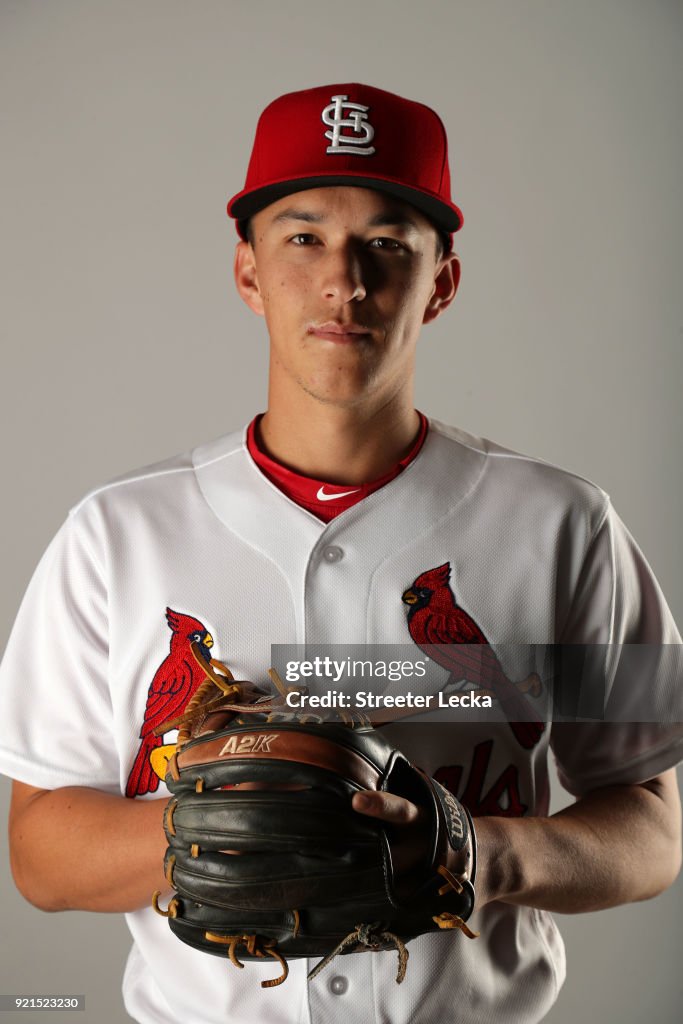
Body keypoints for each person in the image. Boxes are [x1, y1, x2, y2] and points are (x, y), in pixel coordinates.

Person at [1, 82, 681, 1024]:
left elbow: (652, 823)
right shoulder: (113, 533)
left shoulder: (569, 523)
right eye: (303, 237)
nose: (343, 282)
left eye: (387, 245)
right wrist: (228, 828)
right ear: (247, 271)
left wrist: (479, 857)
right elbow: (37, 849)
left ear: (440, 281)